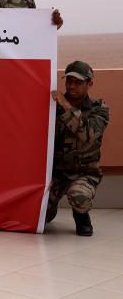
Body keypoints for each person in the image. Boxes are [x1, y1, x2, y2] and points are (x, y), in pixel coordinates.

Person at [47, 61, 110, 237]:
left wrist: (66, 105)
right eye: (69, 81)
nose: (71, 86)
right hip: (56, 174)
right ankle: (49, 211)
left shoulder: (99, 109)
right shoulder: (53, 107)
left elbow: (88, 135)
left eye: (77, 82)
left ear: (90, 84)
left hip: (84, 173)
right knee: (41, 214)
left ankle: (81, 216)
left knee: (79, 195)